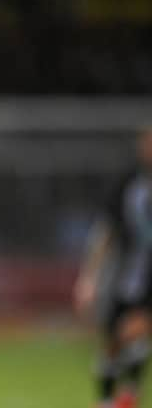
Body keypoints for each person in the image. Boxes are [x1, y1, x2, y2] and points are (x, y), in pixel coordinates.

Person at [75, 128, 152, 408]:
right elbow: (105, 232)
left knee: (136, 332)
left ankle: (128, 393)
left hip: (147, 282)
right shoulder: (128, 184)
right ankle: (109, 399)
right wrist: (89, 278)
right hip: (123, 277)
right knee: (114, 343)